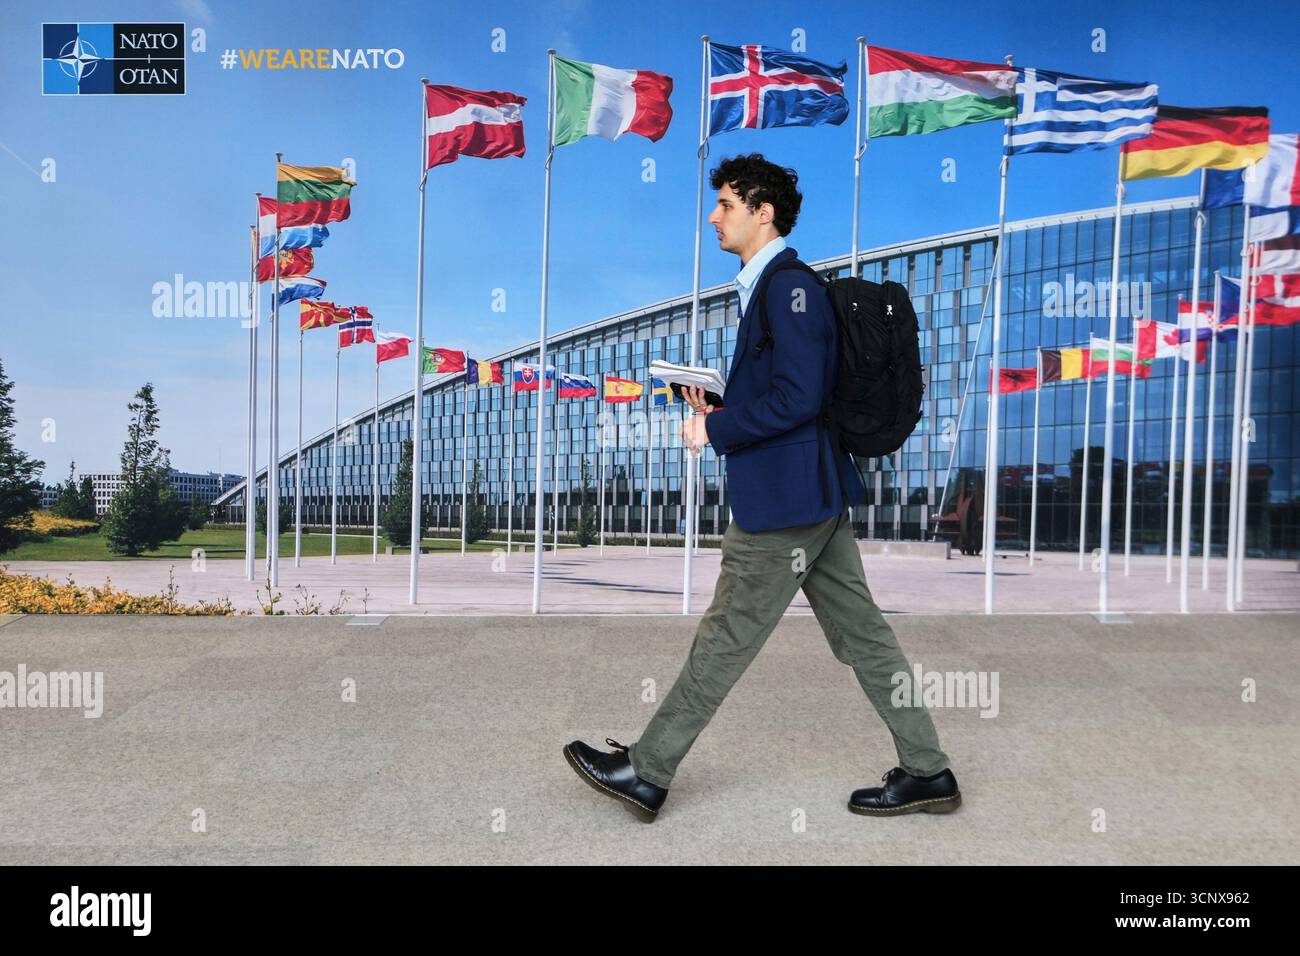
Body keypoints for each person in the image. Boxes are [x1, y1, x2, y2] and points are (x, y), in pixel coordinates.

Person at [564, 154, 959, 822]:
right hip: (814, 495)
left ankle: (647, 770)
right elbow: (788, 390)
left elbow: (799, 396)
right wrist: (718, 403)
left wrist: (715, 433)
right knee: (864, 637)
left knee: (726, 634)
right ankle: (928, 772)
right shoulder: (774, 288)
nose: (713, 216)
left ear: (762, 211)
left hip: (785, 504)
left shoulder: (787, 288)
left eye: (725, 204)